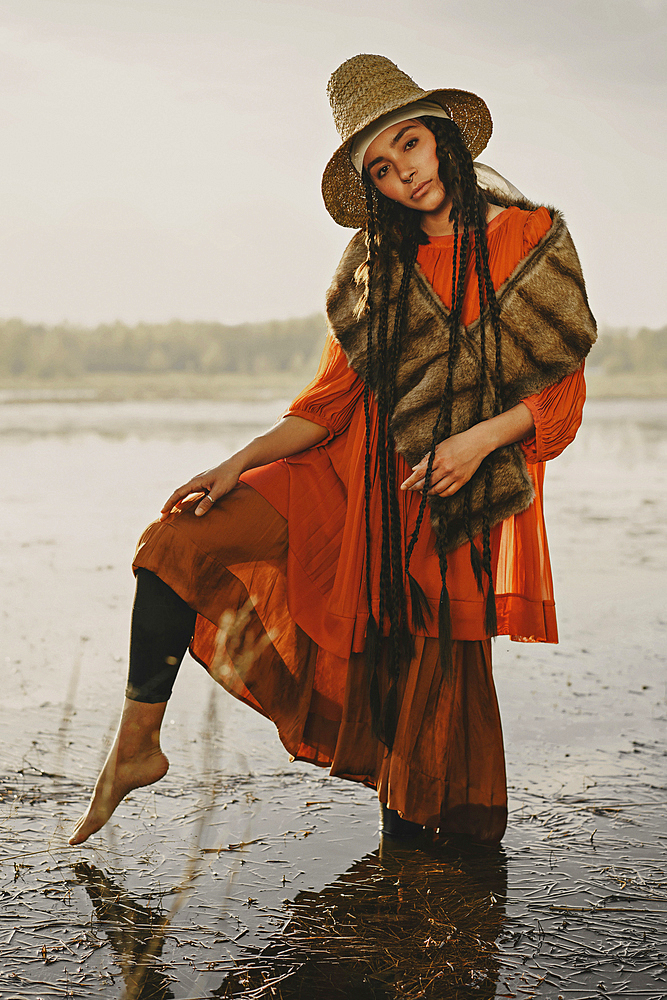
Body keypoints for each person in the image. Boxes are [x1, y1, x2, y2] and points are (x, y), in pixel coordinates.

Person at [69, 54, 596, 848]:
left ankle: (426, 908)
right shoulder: (373, 264)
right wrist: (240, 460)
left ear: (442, 138)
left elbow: (559, 393)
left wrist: (478, 440)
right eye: (380, 168)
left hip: (442, 501)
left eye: (409, 146)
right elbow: (327, 407)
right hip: (343, 482)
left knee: (419, 758)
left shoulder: (532, 238)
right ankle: (137, 746)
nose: (401, 174)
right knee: (177, 538)